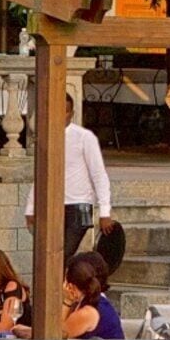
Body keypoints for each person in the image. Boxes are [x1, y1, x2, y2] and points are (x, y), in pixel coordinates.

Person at [24, 96, 113, 260]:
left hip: (79, 205)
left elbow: (98, 174)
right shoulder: (45, 137)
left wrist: (105, 211)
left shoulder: (84, 137)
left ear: (71, 113)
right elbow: (41, 173)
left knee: (62, 254)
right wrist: (31, 207)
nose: (60, 116)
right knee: (49, 255)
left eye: (64, 112)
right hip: (53, 204)